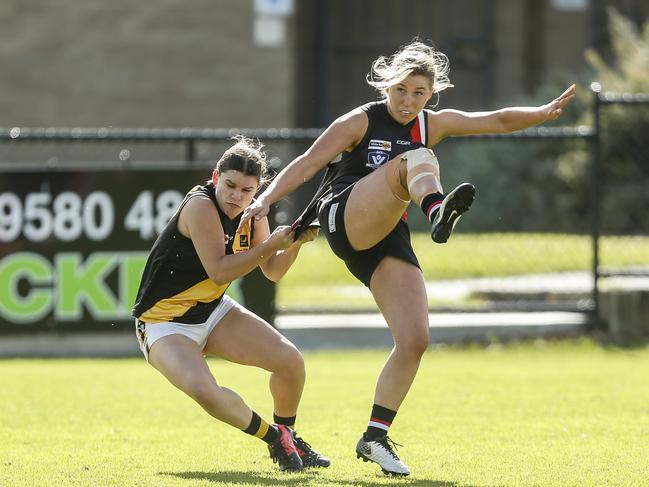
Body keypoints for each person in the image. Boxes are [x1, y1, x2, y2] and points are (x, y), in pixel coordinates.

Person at [238, 40, 576, 476]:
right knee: (414, 160)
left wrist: (542, 113)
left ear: (431, 95)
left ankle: (374, 436)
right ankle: (437, 211)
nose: (408, 101)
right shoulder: (359, 121)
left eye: (419, 93)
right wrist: (265, 200)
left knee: (415, 339)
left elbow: (494, 119)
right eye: (401, 90)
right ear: (387, 85)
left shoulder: (430, 122)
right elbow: (306, 162)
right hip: (343, 214)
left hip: (386, 233)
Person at [132, 136, 329, 472]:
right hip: (163, 323)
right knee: (204, 391)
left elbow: (273, 271)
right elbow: (220, 270)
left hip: (212, 310)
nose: (237, 196)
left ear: (257, 190)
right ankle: (274, 438)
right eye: (230, 185)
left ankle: (289, 436)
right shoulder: (200, 205)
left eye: (247, 190)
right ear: (215, 178)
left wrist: (294, 244)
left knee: (290, 363)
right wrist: (271, 245)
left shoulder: (254, 212)